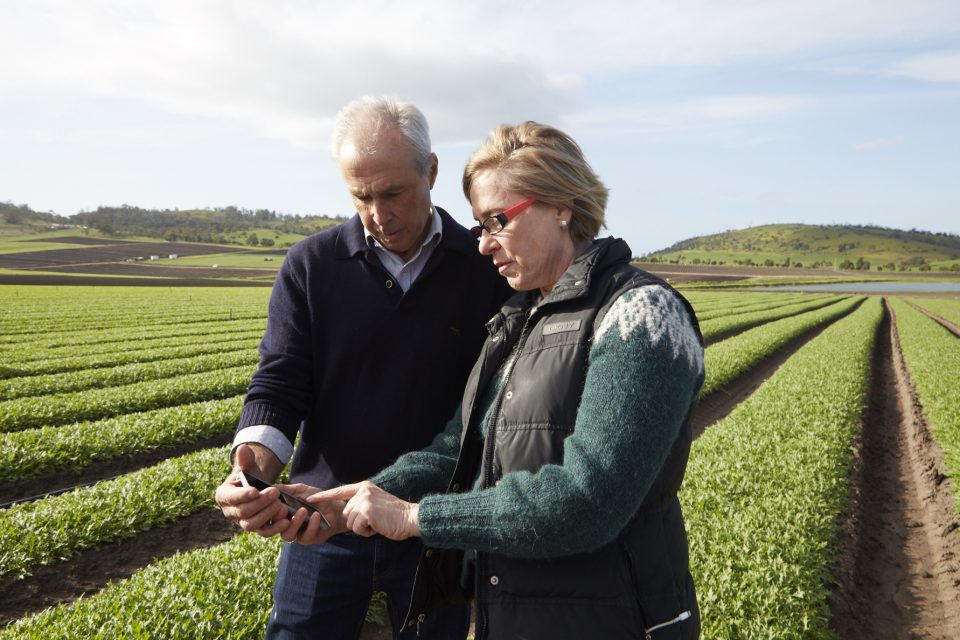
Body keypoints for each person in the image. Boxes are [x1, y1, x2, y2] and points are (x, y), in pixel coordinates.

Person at [291, 121, 706, 639]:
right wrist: (359, 496)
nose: (483, 245)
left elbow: (588, 500)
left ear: (561, 205)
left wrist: (417, 518)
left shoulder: (640, 314)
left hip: (614, 619)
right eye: (478, 225)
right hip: (521, 614)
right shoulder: (522, 319)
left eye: (496, 221)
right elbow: (456, 451)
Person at [214, 96, 511, 640]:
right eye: (361, 196)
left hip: (432, 519)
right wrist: (250, 473)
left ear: (432, 171)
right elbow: (280, 382)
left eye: (393, 193)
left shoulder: (486, 265)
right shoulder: (311, 266)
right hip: (323, 520)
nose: (378, 214)